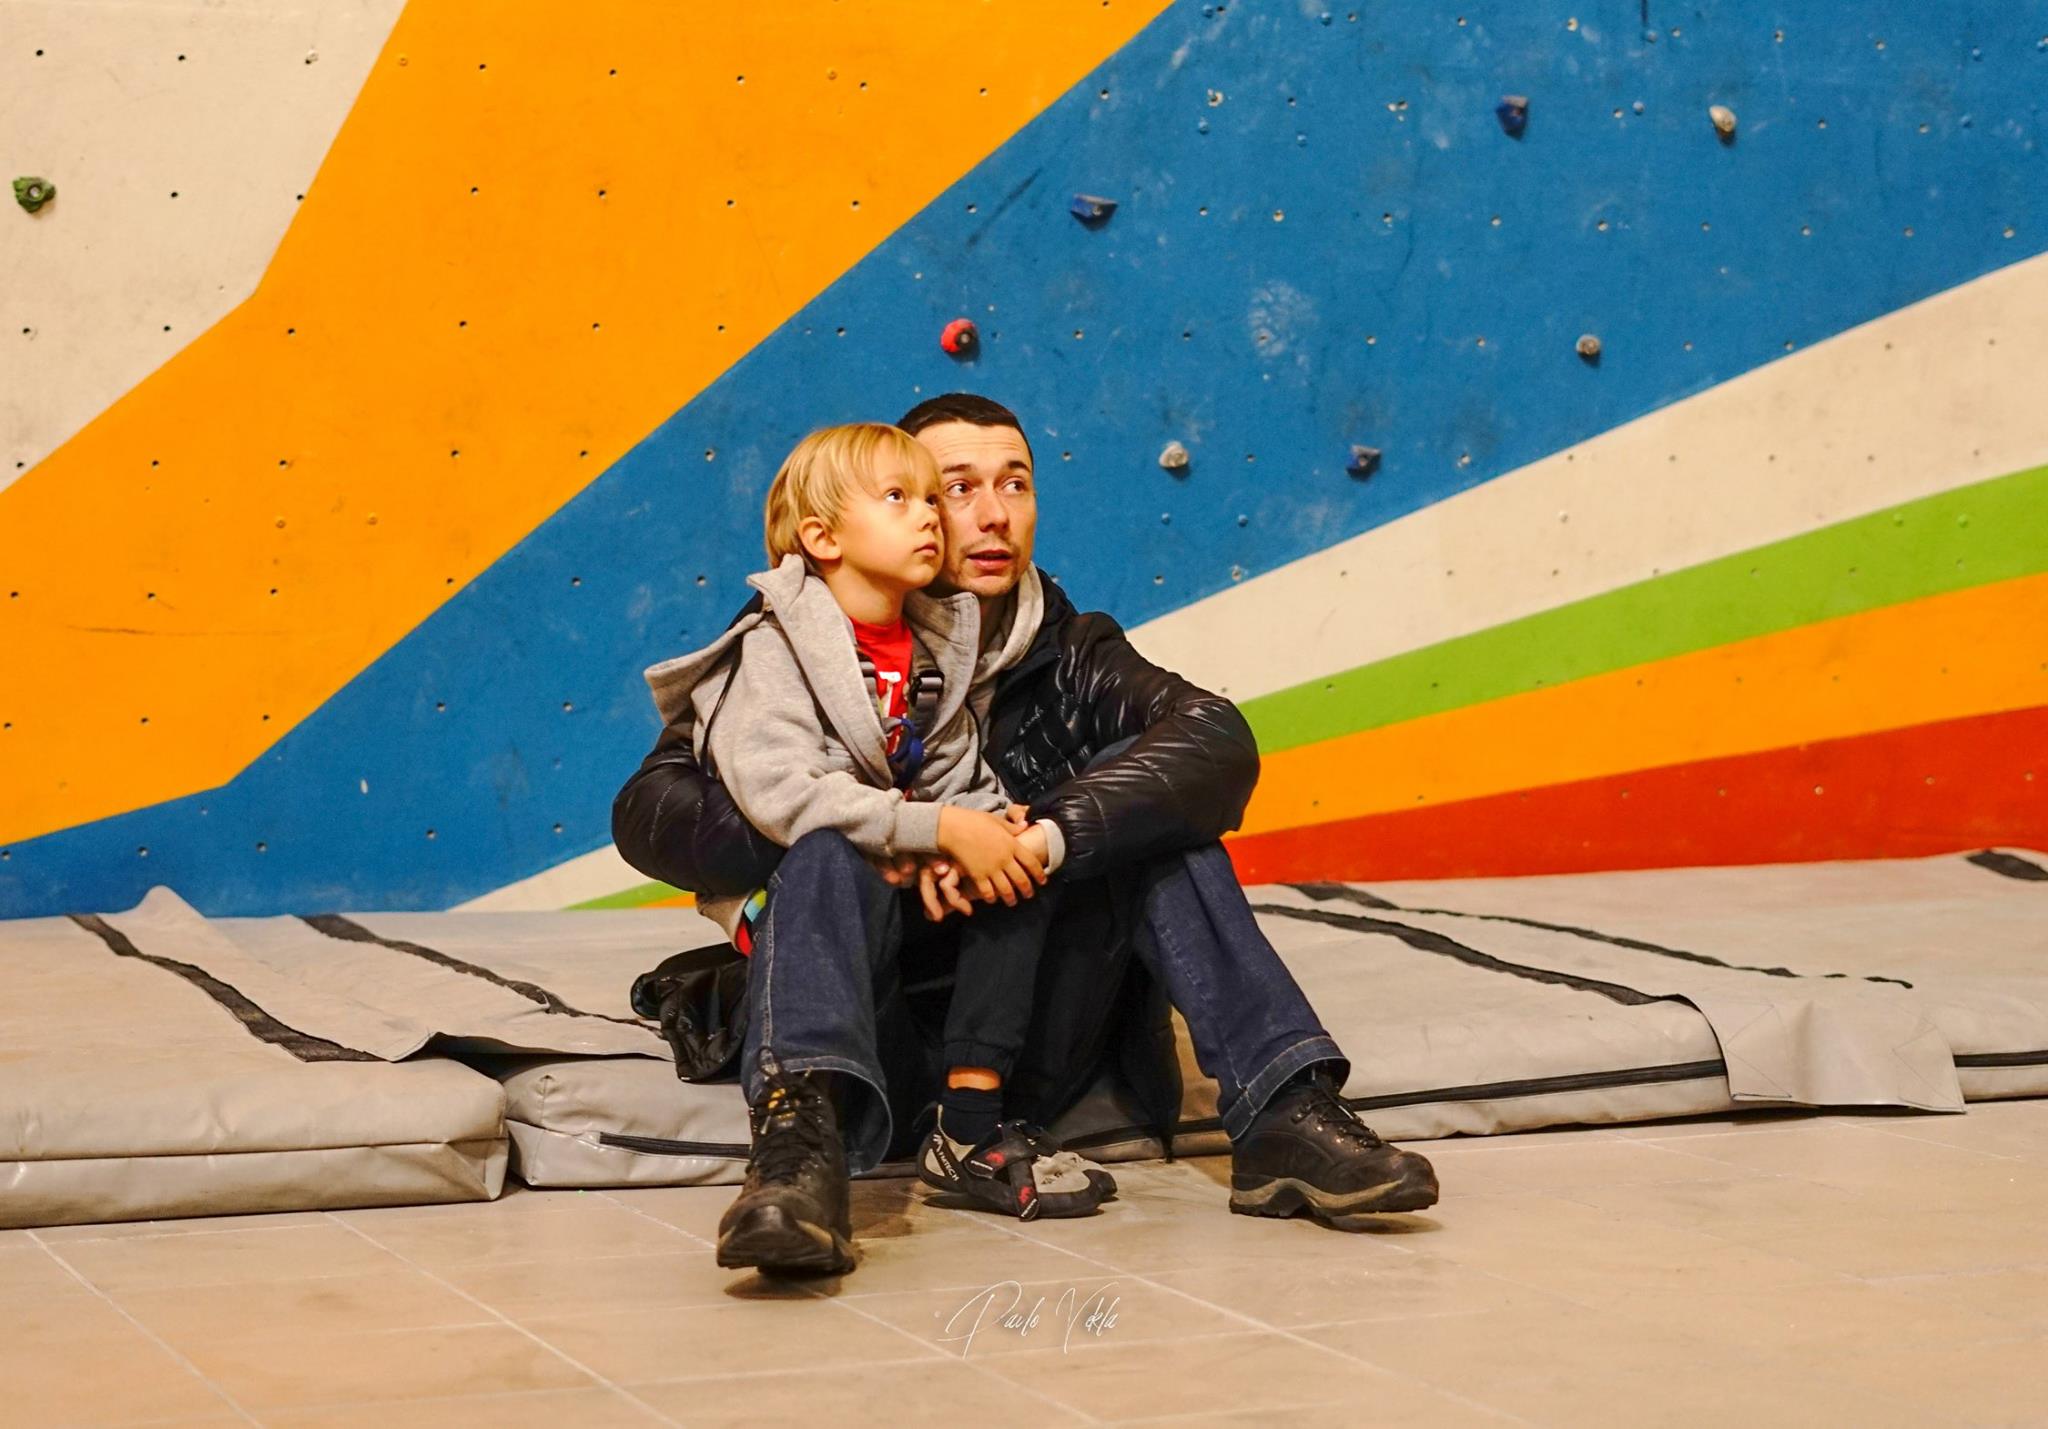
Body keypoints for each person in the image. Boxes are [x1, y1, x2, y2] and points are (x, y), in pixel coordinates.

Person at [614, 394, 1438, 1275]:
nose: (986, 514)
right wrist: (900, 834)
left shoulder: (1069, 645)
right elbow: (650, 810)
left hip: (1026, 1016)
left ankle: (1283, 1113)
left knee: (1161, 820)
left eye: (1015, 483)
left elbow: (1216, 740)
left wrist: (1039, 834)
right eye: (949, 487)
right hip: (871, 1013)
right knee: (824, 848)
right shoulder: (798, 646)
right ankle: (798, 1158)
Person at [638, 423, 1114, 1271]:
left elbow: (962, 785)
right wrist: (934, 830)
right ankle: (795, 1148)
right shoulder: (774, 648)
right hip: (815, 921)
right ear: (822, 538)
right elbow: (783, 793)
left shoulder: (936, 650)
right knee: (826, 849)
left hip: (909, 927)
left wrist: (984, 833)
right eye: (900, 499)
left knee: (1017, 854)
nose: (932, 516)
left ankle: (970, 1127)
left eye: (933, 499)